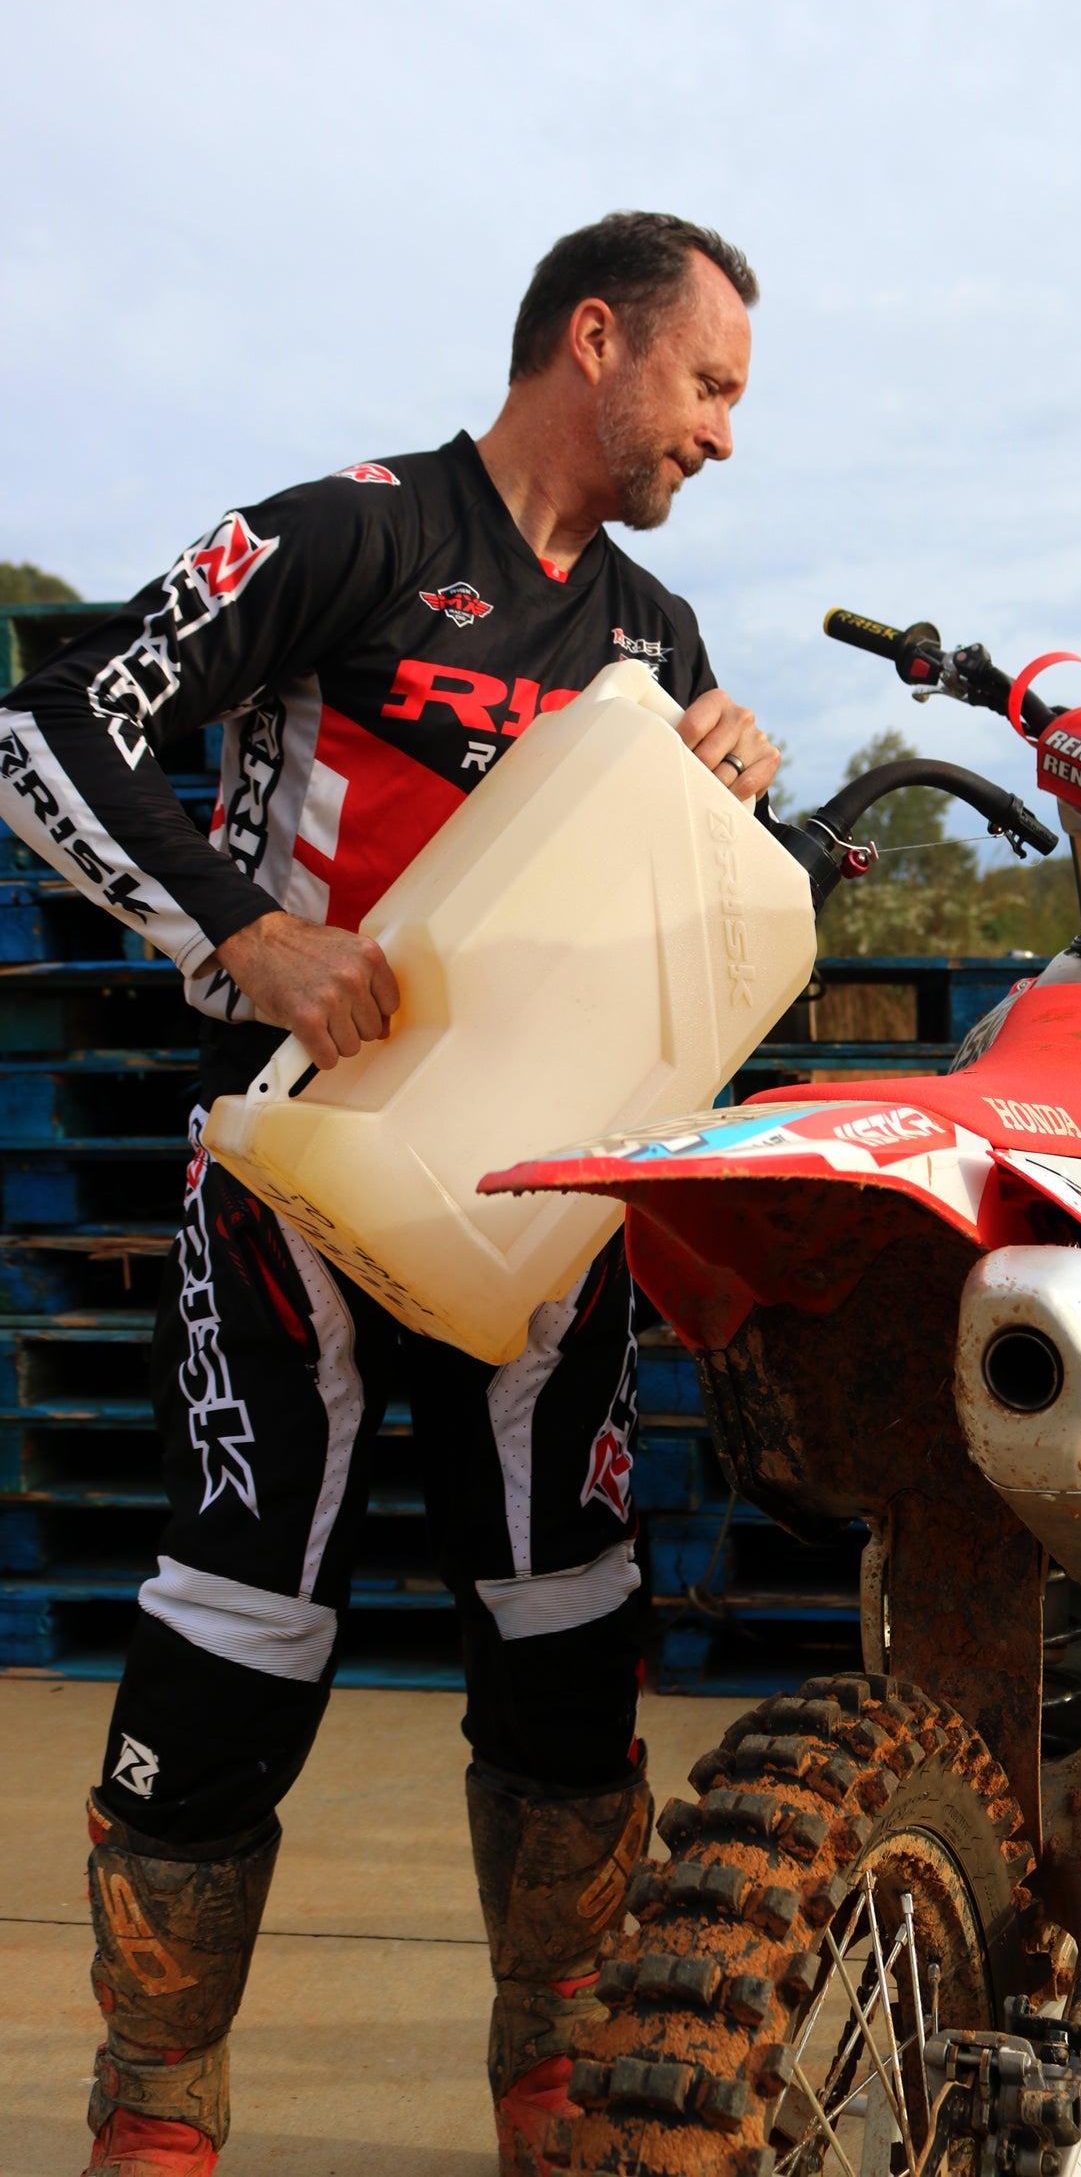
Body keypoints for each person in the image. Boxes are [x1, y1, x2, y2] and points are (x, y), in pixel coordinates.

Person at [0, 212, 778, 2177]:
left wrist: (735, 790)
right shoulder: (347, 534)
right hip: (302, 1180)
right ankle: (156, 2102)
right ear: (594, 340)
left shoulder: (657, 642)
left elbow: (682, 937)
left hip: (540, 1221)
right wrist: (245, 930)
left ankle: (556, 2075)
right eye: (709, 384)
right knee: (238, 1624)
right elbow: (43, 728)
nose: (724, 434)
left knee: (568, 1628)